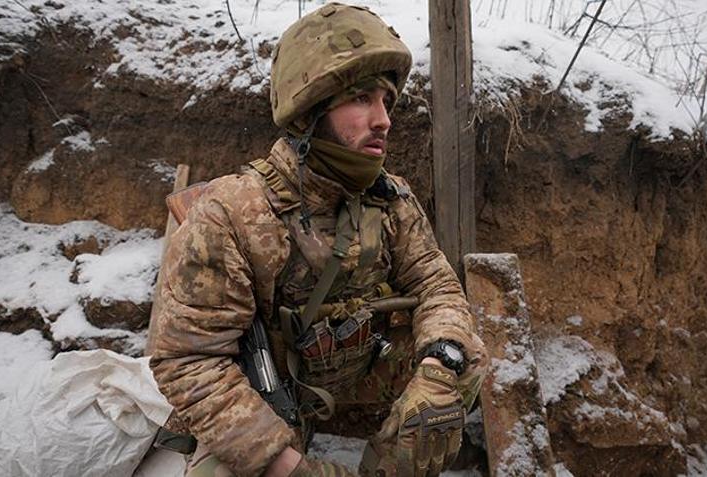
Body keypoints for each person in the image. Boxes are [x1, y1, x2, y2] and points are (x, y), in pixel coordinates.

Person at [149, 3, 488, 476]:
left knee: (463, 363)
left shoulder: (391, 197)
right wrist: (280, 462)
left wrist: (439, 364)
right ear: (309, 112)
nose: (384, 119)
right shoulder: (233, 211)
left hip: (363, 368)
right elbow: (188, 359)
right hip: (267, 393)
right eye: (362, 99)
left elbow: (438, 286)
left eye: (386, 101)